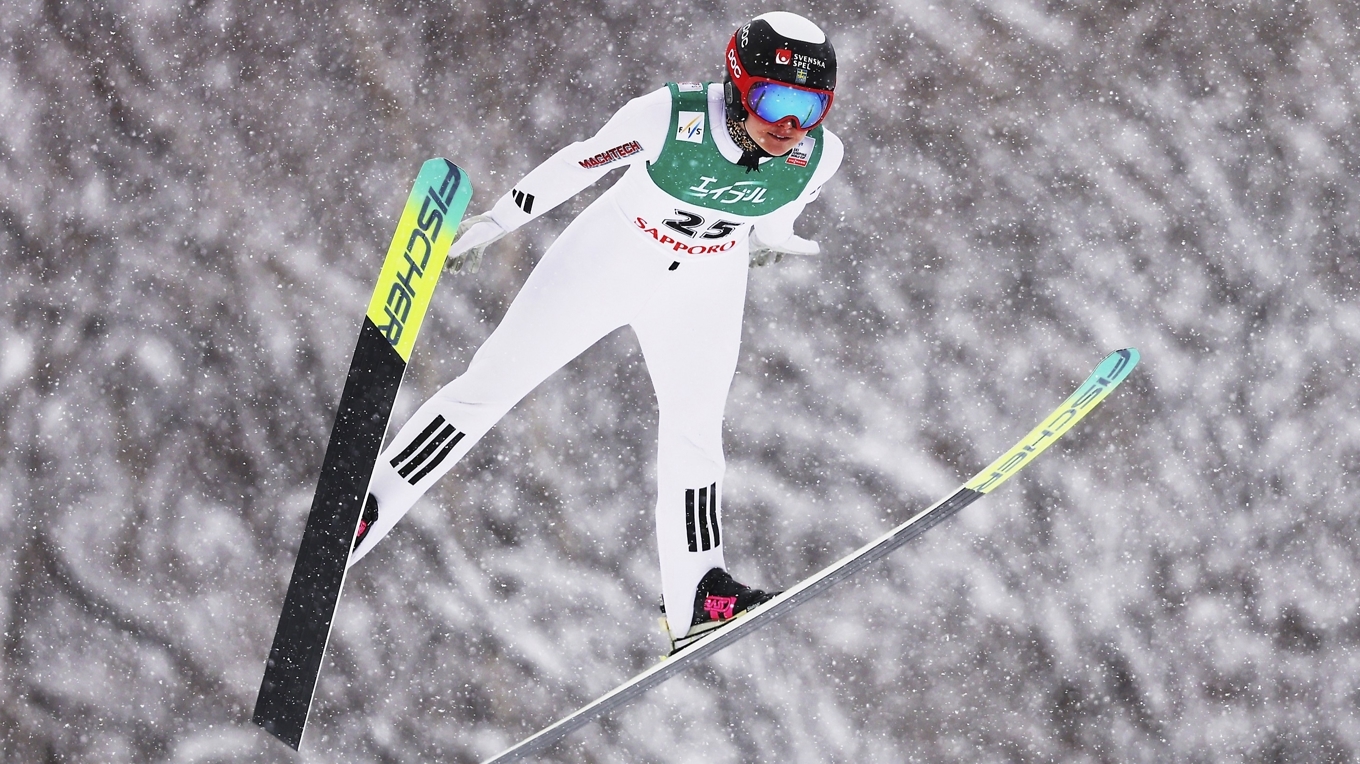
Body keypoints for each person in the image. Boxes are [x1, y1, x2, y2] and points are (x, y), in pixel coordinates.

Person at [349, 11, 843, 654]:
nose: (787, 125)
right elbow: (578, 164)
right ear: (738, 84)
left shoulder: (818, 155)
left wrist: (780, 243)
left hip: (703, 285)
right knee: (489, 388)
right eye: (774, 100)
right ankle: (367, 507)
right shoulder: (669, 118)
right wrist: (495, 225)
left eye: (808, 108)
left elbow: (783, 207)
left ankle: (699, 595)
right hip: (610, 259)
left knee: (696, 433)